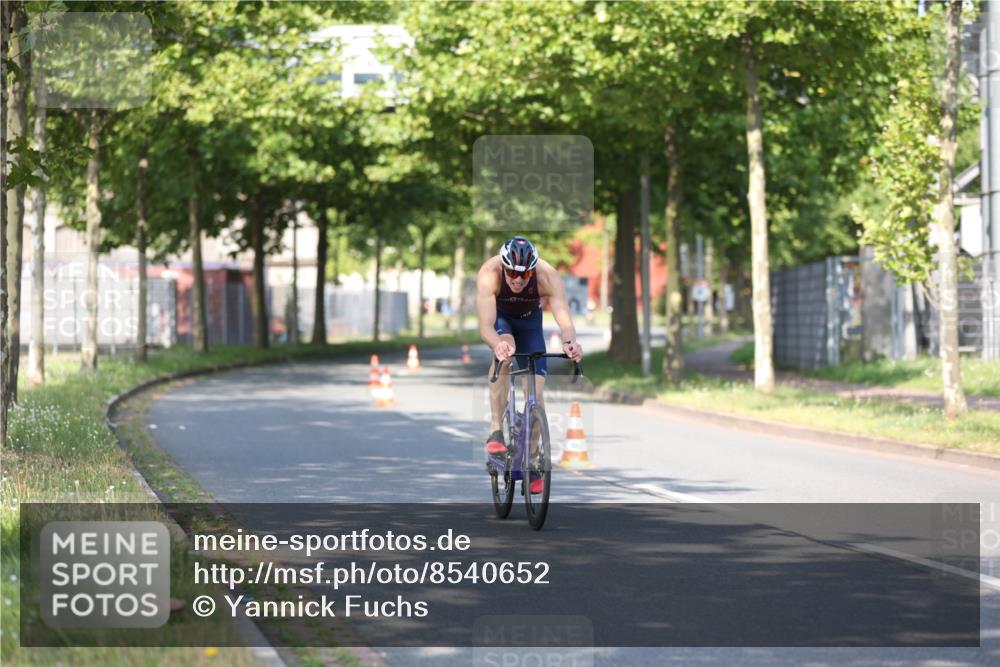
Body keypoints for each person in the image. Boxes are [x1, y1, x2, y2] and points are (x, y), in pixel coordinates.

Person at [476, 236, 584, 493]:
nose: (517, 279)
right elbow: (485, 327)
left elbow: (563, 316)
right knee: (505, 353)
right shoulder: (489, 273)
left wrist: (570, 343)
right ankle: (495, 431)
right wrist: (497, 345)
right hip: (502, 321)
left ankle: (534, 460)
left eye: (524, 275)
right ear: (503, 266)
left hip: (530, 322)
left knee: (536, 394)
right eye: (512, 272)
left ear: (533, 271)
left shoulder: (548, 276)